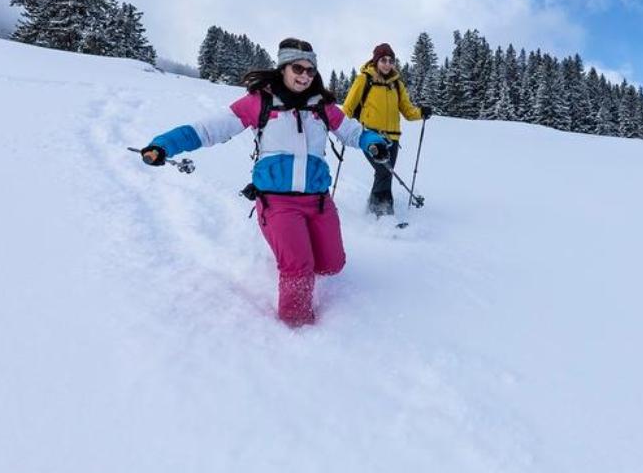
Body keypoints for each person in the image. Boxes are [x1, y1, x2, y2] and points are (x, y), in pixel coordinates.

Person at [140, 38, 389, 327]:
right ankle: (295, 330)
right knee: (299, 268)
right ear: (283, 67)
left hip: (318, 200)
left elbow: (353, 132)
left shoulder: (322, 107)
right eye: (298, 68)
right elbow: (209, 129)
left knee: (332, 265)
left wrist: (373, 142)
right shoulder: (260, 102)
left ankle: (297, 250)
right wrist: (164, 145)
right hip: (277, 202)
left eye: (311, 71)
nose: (305, 75)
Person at [342, 42, 432, 215]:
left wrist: (421, 112)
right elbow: (348, 107)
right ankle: (382, 212)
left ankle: (374, 208)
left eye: (391, 60)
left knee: (385, 174)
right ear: (376, 61)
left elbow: (408, 111)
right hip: (370, 135)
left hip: (393, 138)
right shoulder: (364, 79)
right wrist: (342, 128)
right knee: (383, 171)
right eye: (383, 60)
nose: (387, 64)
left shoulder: (397, 84)